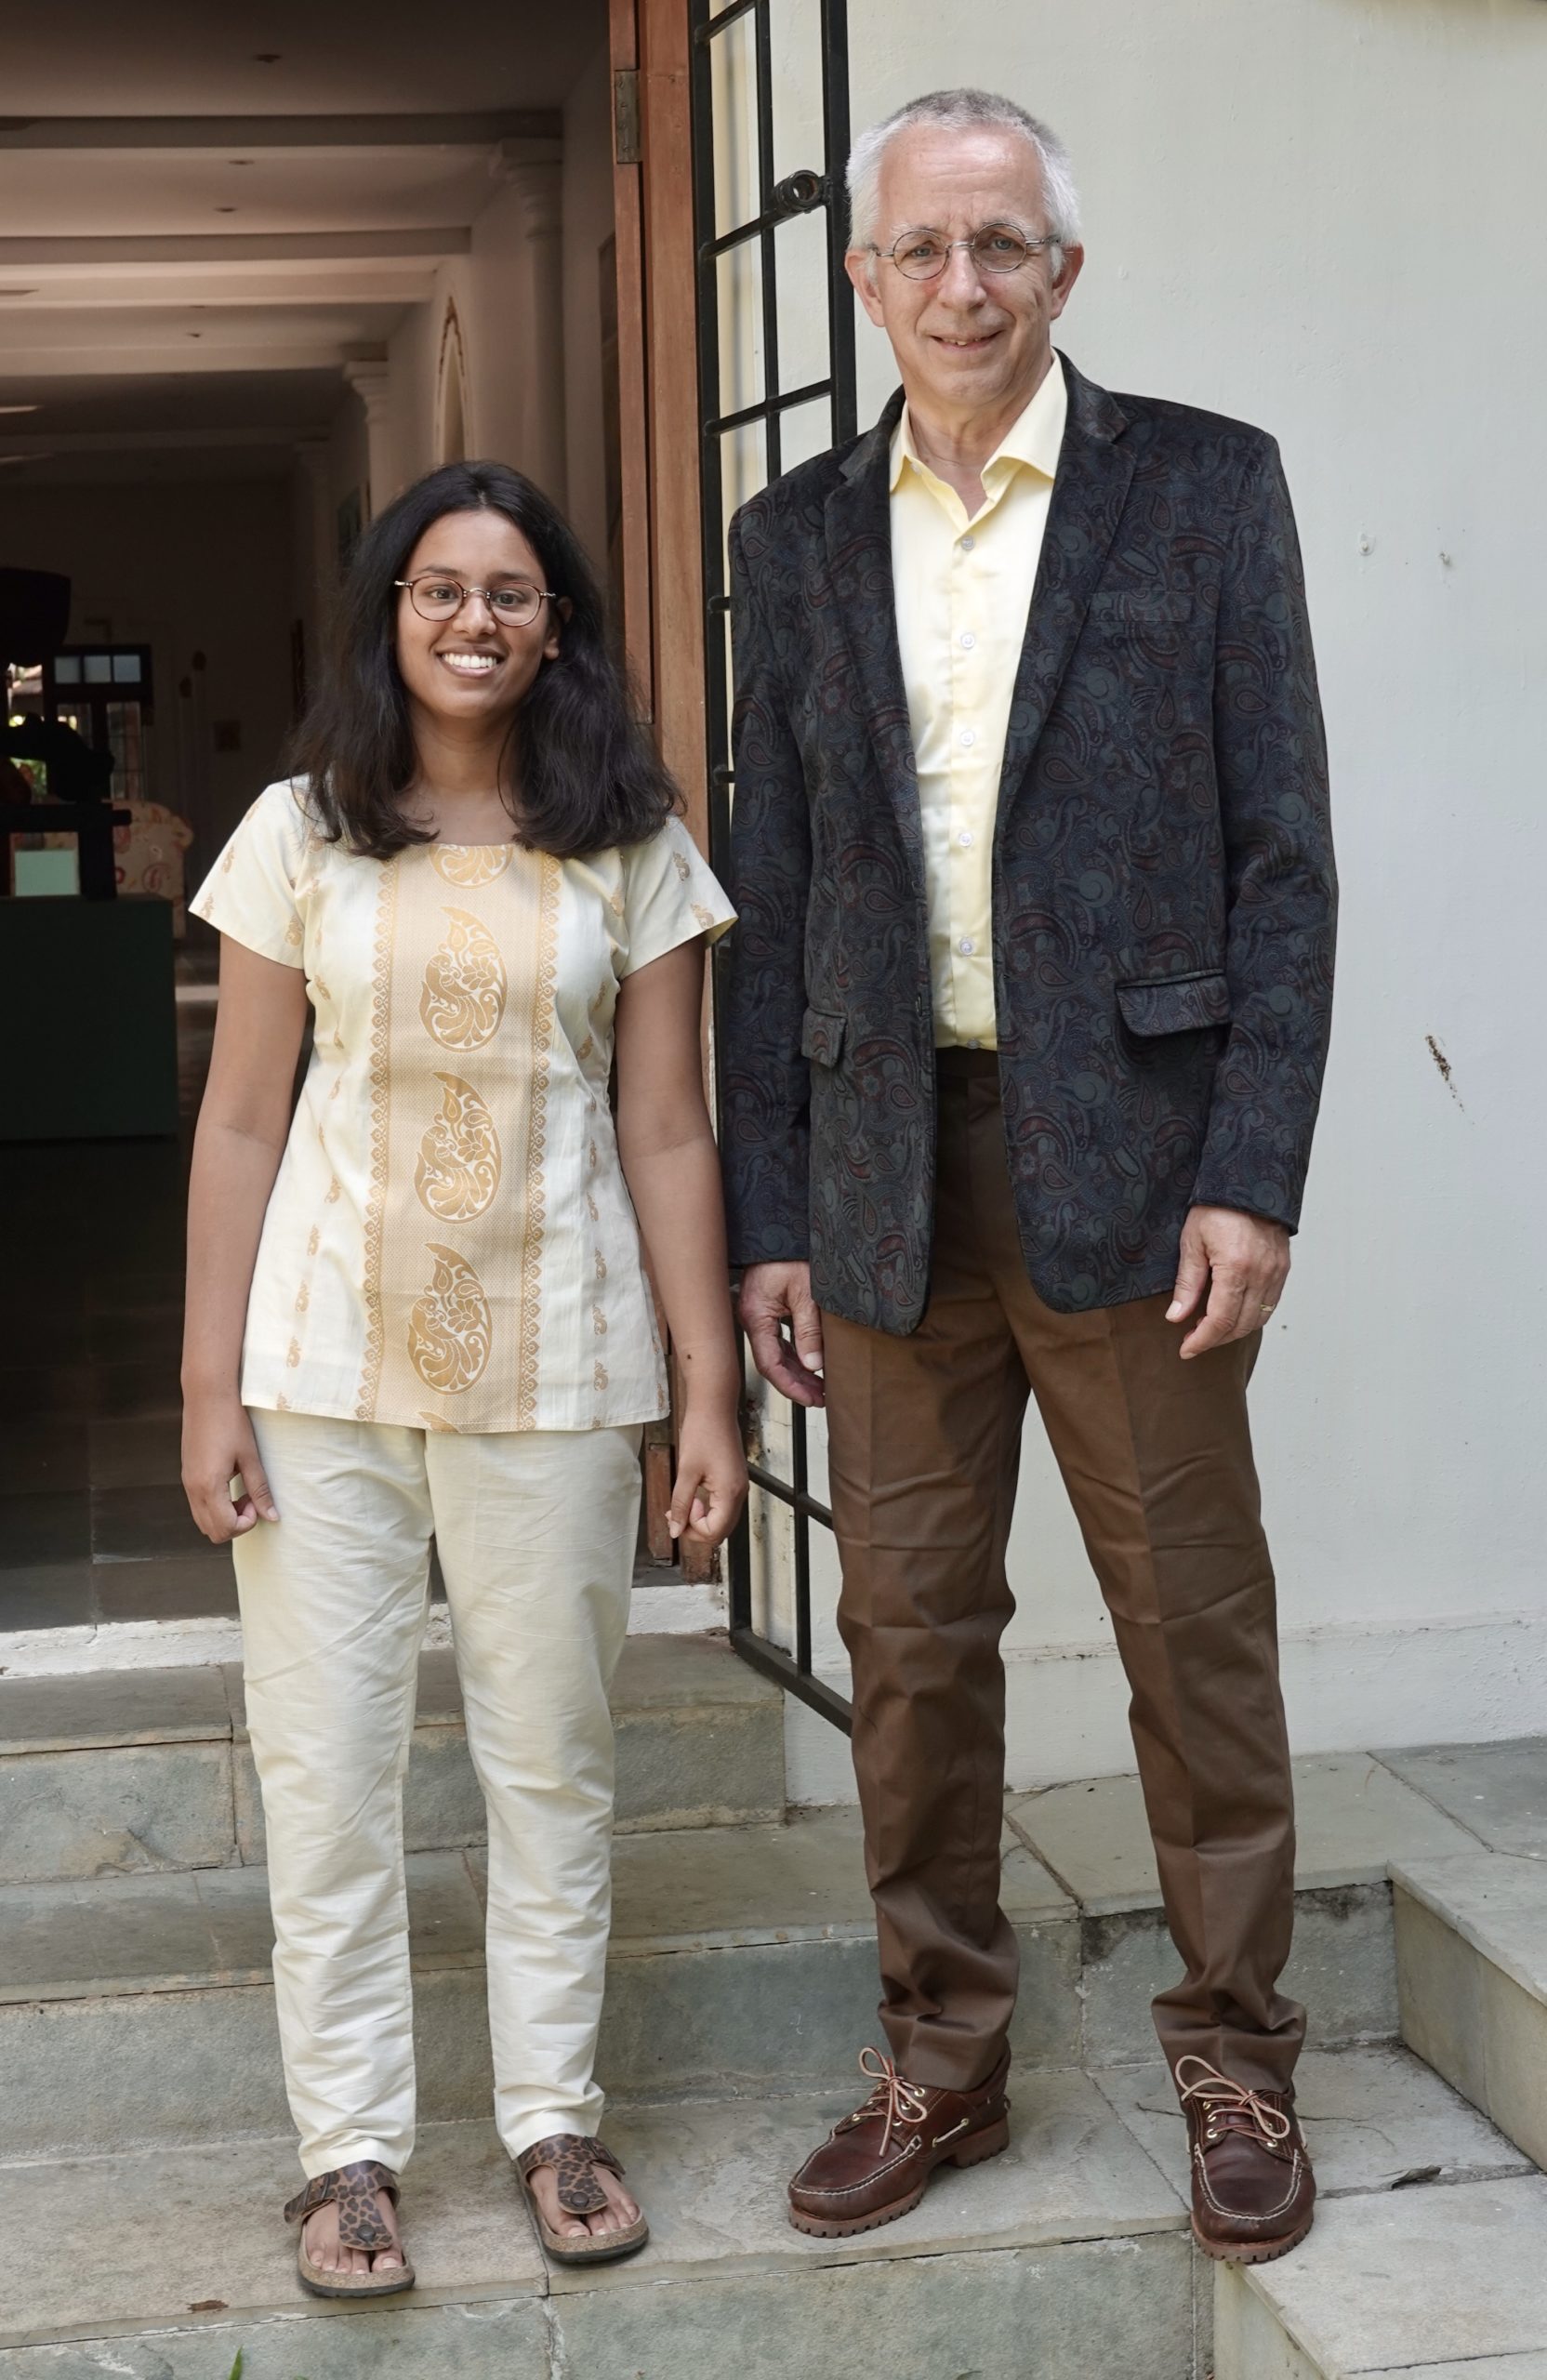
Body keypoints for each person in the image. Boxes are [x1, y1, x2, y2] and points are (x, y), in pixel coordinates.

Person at [721, 88, 1335, 2264]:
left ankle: (1238, 2051)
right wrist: (769, 1211)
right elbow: (775, 892)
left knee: (1192, 1631)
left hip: (1141, 1176)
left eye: (1001, 246)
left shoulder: (1203, 487)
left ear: (1062, 270)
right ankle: (942, 2054)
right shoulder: (793, 535)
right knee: (909, 1644)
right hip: (886, 1182)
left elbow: (1282, 858)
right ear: (864, 277)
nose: (960, 285)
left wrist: (1251, 1165)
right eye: (920, 248)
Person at [183, 460, 745, 2297]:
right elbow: (240, 1118)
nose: (474, 619)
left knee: (553, 1766)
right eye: (440, 588)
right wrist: (207, 1386)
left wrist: (705, 1391)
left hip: (562, 1363)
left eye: (510, 592)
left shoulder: (631, 841)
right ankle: (346, 2155)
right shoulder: (299, 831)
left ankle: (553, 2120)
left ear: (556, 627)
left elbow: (668, 1129)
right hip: (322, 1364)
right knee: (327, 1771)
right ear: (391, 613)